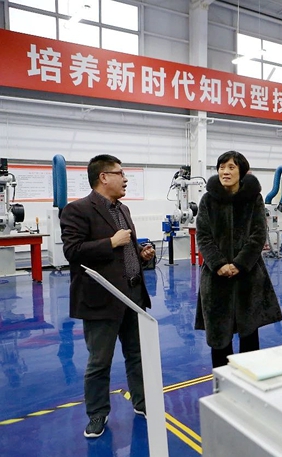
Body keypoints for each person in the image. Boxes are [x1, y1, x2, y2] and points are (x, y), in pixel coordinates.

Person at [60, 154, 155, 439]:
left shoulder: (123, 209)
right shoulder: (77, 210)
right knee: (99, 361)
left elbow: (125, 251)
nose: (125, 179)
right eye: (120, 173)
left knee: (136, 355)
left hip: (132, 296)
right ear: (103, 177)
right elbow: (72, 252)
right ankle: (97, 414)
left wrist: (140, 254)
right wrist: (111, 242)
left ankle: (142, 402)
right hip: (101, 299)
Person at [195, 151, 282, 368]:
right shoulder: (208, 200)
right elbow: (203, 236)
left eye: (231, 167)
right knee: (219, 338)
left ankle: (248, 382)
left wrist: (239, 264)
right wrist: (219, 264)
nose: (225, 172)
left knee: (249, 335)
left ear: (241, 172)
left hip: (248, 276)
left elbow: (258, 235)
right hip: (216, 278)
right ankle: (221, 383)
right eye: (222, 167)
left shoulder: (254, 199)